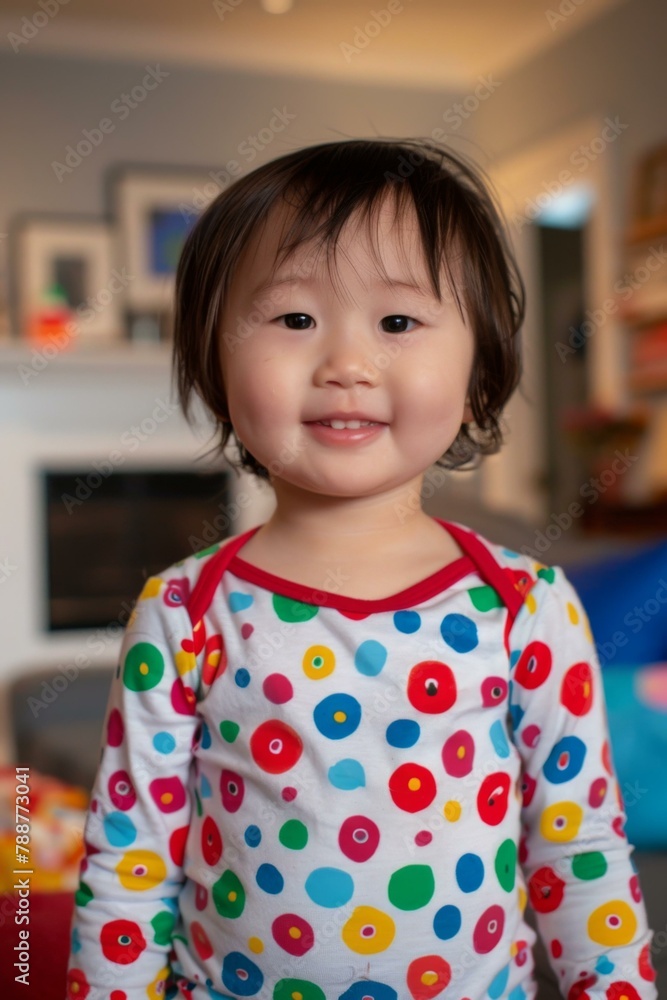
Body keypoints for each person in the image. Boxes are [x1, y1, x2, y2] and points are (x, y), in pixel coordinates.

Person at [66, 137, 657, 1000]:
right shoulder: (184, 611)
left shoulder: (526, 606)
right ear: (214, 358)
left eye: (398, 322)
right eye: (294, 319)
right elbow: (129, 861)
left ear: (477, 366)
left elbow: (579, 850)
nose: (346, 364)